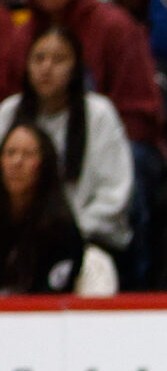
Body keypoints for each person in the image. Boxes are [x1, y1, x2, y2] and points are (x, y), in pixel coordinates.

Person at [0, 0, 162, 159]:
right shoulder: (22, 37)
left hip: (113, 144)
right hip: (39, 152)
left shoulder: (116, 27)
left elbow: (139, 117)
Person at [0, 24, 133, 259]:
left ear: (76, 68)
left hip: (88, 240)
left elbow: (114, 195)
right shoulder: (8, 112)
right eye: (39, 58)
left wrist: (65, 233)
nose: (46, 68)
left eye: (59, 59)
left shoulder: (98, 113)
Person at [0, 119, 101, 291]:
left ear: (44, 164)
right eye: (10, 153)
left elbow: (54, 295)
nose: (17, 162)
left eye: (28, 154)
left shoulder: (61, 230)